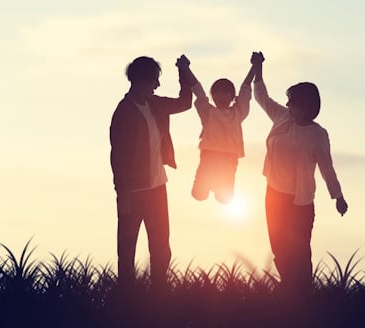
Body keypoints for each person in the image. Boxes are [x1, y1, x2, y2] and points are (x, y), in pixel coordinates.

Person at [250, 51, 349, 294]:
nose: (287, 105)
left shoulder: (317, 134)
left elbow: (327, 167)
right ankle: (290, 294)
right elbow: (261, 96)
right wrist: (258, 67)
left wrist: (337, 196)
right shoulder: (282, 117)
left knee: (300, 251)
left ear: (305, 105)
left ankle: (304, 296)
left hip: (300, 203)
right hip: (274, 195)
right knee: (280, 250)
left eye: (291, 101)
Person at [109, 55, 192, 290]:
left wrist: (183, 72)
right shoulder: (123, 113)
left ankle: (159, 298)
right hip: (132, 194)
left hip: (157, 189)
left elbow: (185, 103)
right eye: (154, 80)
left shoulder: (155, 104)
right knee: (127, 251)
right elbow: (118, 156)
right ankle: (127, 302)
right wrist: (122, 193)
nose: (157, 86)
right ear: (141, 81)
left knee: (161, 250)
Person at [177, 54, 255, 204]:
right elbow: (198, 90)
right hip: (209, 157)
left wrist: (255, 66)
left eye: (225, 93)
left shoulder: (238, 113)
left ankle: (216, 185)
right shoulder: (208, 112)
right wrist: (186, 68)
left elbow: (245, 89)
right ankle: (211, 183)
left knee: (224, 199)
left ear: (232, 96)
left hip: (228, 159)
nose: (221, 96)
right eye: (217, 93)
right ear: (213, 96)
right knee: (198, 195)